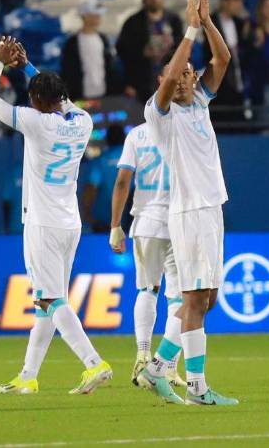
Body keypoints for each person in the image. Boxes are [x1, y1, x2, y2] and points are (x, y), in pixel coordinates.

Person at [0, 36, 113, 396]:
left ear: (36, 100)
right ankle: (28, 376)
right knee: (46, 302)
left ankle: (94, 363)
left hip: (42, 223)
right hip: (70, 222)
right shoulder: (83, 121)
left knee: (51, 300)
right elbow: (58, 97)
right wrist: (26, 66)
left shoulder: (35, 122)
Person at [139, 0, 238, 406]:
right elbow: (169, 79)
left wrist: (208, 21)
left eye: (187, 73)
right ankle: (194, 385)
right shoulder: (158, 113)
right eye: (175, 74)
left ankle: (159, 367)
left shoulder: (199, 100)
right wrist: (190, 29)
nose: (182, 79)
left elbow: (224, 59)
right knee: (196, 298)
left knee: (207, 298)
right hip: (190, 210)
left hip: (210, 207)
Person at [109, 121, 187, 390]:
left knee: (147, 290)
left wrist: (115, 225)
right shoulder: (185, 127)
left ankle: (143, 356)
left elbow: (123, 181)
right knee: (179, 298)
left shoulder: (136, 134)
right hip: (180, 222)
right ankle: (169, 366)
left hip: (146, 224)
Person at [117, 0, 183, 104]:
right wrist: (141, 52)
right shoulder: (132, 22)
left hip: (169, 82)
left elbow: (183, 50)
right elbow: (122, 51)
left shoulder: (174, 21)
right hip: (141, 83)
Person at [60, 0, 117, 100]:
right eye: (95, 14)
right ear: (85, 16)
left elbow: (109, 66)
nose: (99, 17)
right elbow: (68, 70)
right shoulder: (72, 42)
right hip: (80, 94)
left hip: (104, 93)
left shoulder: (103, 39)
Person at [205, 0, 249, 115]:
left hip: (238, 80)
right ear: (224, 2)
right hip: (218, 82)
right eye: (236, 1)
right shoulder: (210, 22)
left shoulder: (241, 24)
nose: (239, 5)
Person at [82, 124, 127, 232]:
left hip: (105, 225)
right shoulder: (135, 159)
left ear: (107, 140)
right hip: (131, 222)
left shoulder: (100, 161)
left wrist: (88, 217)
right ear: (125, 139)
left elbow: (91, 189)